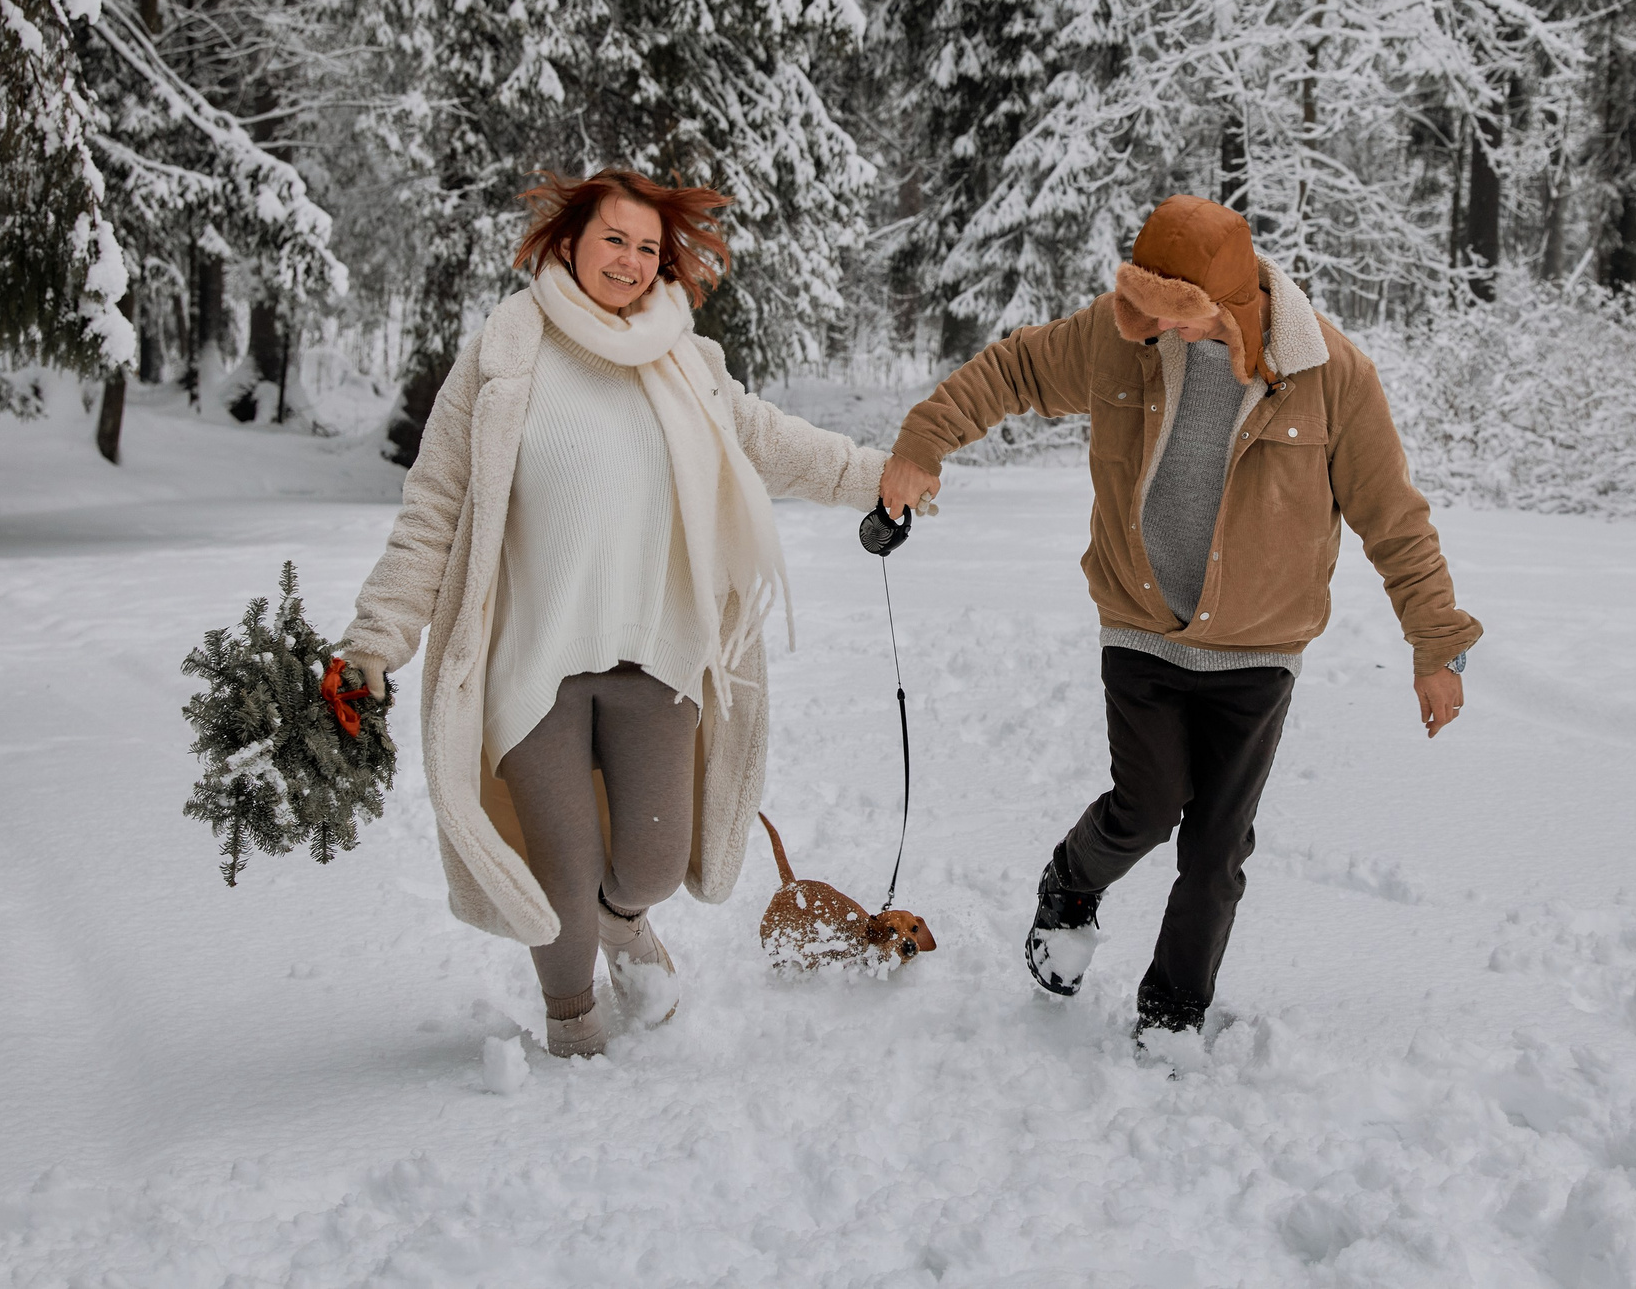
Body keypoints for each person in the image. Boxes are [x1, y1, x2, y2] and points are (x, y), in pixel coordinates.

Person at [878, 194, 1480, 1039]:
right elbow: (1012, 370)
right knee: (1151, 804)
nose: (1167, 334)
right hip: (1142, 624)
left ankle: (1172, 1009)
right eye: (1152, 314)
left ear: (1237, 305)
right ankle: (1072, 882)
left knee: (1216, 848)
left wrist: (1436, 644)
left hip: (1260, 651)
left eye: (1187, 320)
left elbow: (1395, 517)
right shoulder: (1118, 334)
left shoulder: (1332, 374)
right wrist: (923, 441)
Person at [339, 169, 889, 1057]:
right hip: (534, 660)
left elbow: (773, 443)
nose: (631, 261)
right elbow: (434, 506)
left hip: (658, 654)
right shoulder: (505, 354)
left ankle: (624, 921)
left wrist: (877, 474)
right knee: (559, 877)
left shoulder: (686, 361)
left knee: (653, 863)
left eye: (647, 247)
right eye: (614, 240)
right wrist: (377, 637)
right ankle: (573, 1025)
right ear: (569, 243)